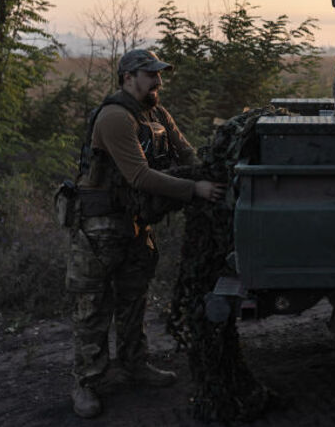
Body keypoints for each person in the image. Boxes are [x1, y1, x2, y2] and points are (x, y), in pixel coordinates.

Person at [65, 48, 226, 419]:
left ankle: (135, 364)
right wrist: (195, 189)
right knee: (92, 310)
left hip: (135, 223)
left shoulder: (157, 114)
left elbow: (187, 156)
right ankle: (86, 382)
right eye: (150, 74)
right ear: (127, 78)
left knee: (133, 300)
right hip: (99, 228)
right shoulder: (114, 117)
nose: (158, 80)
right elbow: (139, 176)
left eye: (159, 74)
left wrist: (210, 171)